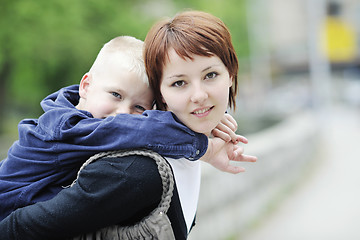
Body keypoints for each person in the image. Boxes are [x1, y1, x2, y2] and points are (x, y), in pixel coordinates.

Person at [0, 10, 257, 239]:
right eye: (179, 82)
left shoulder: (161, 151)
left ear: (231, 75)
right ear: (86, 86)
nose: (123, 115)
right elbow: (19, 226)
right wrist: (206, 148)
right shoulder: (114, 159)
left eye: (210, 75)